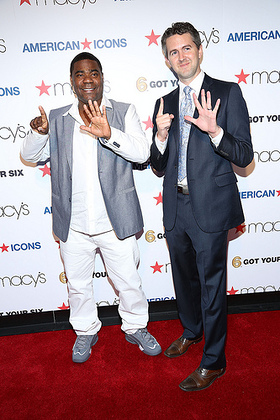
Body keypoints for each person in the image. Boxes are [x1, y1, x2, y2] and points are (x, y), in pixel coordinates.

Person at [21, 52, 161, 363]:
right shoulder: (56, 118)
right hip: (73, 224)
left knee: (129, 282)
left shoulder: (123, 111)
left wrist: (109, 133)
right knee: (78, 285)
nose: (87, 79)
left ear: (101, 78)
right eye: (80, 74)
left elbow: (141, 154)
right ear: (72, 81)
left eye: (94, 73)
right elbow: (30, 157)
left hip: (116, 221)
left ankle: (136, 326)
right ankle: (85, 330)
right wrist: (38, 133)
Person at [150, 22, 253, 391]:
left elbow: (244, 154)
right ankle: (191, 331)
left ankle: (214, 361)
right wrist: (160, 137)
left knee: (212, 286)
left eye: (187, 48)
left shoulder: (227, 92)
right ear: (166, 59)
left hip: (210, 207)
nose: (181, 56)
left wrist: (215, 132)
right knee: (183, 280)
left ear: (199, 50)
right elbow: (157, 165)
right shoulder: (162, 103)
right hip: (175, 209)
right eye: (173, 51)